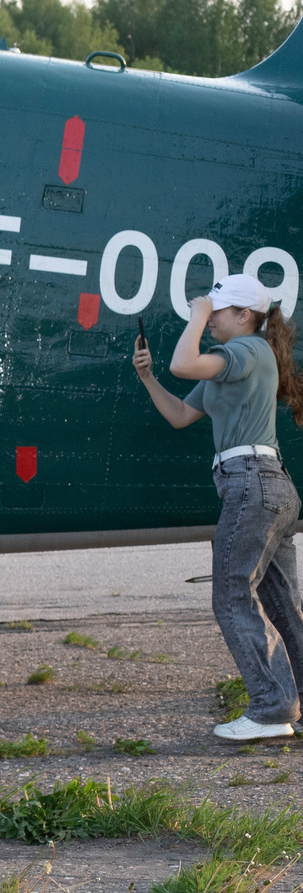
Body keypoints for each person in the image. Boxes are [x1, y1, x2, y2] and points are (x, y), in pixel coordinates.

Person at [133, 273, 303, 741]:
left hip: (252, 485)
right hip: (268, 486)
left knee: (231, 594)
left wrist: (198, 308)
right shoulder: (231, 366)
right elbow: (180, 415)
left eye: (219, 312)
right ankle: (295, 703)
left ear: (243, 316)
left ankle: (272, 708)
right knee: (282, 604)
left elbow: (185, 364)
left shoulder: (247, 351)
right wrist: (147, 377)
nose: (209, 320)